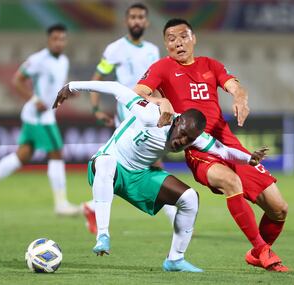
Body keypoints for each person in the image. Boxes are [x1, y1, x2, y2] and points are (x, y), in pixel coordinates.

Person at [54, 80, 269, 272]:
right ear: (176, 122)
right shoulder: (151, 115)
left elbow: (222, 150)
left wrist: (248, 158)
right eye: (181, 133)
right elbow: (117, 88)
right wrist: (72, 86)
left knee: (190, 198)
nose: (181, 141)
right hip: (110, 165)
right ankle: (103, 235)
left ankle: (175, 259)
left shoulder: (195, 137)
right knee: (106, 161)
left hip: (140, 176)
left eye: (187, 140)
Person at [134, 18, 289, 272]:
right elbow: (137, 91)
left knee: (279, 209)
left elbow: (235, 86)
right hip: (199, 149)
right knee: (231, 182)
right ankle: (263, 251)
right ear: (165, 44)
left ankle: (256, 253)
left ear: (193, 38)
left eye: (183, 36)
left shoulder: (210, 65)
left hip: (229, 144)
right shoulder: (162, 68)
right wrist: (160, 101)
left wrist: (240, 98)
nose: (178, 43)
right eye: (171, 39)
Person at [83, 3, 177, 234]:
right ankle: (177, 216)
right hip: (128, 117)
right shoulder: (115, 49)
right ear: (127, 21)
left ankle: (91, 206)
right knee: (152, 164)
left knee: (131, 169)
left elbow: (155, 86)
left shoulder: (153, 51)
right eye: (133, 17)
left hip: (149, 115)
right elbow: (99, 77)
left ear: (146, 22)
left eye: (141, 17)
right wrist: (95, 108)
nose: (136, 21)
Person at [0, 23, 81, 216]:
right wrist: (34, 99)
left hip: (43, 114)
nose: (58, 42)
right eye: (55, 38)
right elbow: (17, 80)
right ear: (48, 40)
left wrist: (67, 94)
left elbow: (54, 87)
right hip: (39, 116)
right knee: (56, 152)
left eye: (62, 39)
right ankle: (61, 204)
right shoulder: (38, 59)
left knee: (23, 155)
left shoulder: (63, 60)